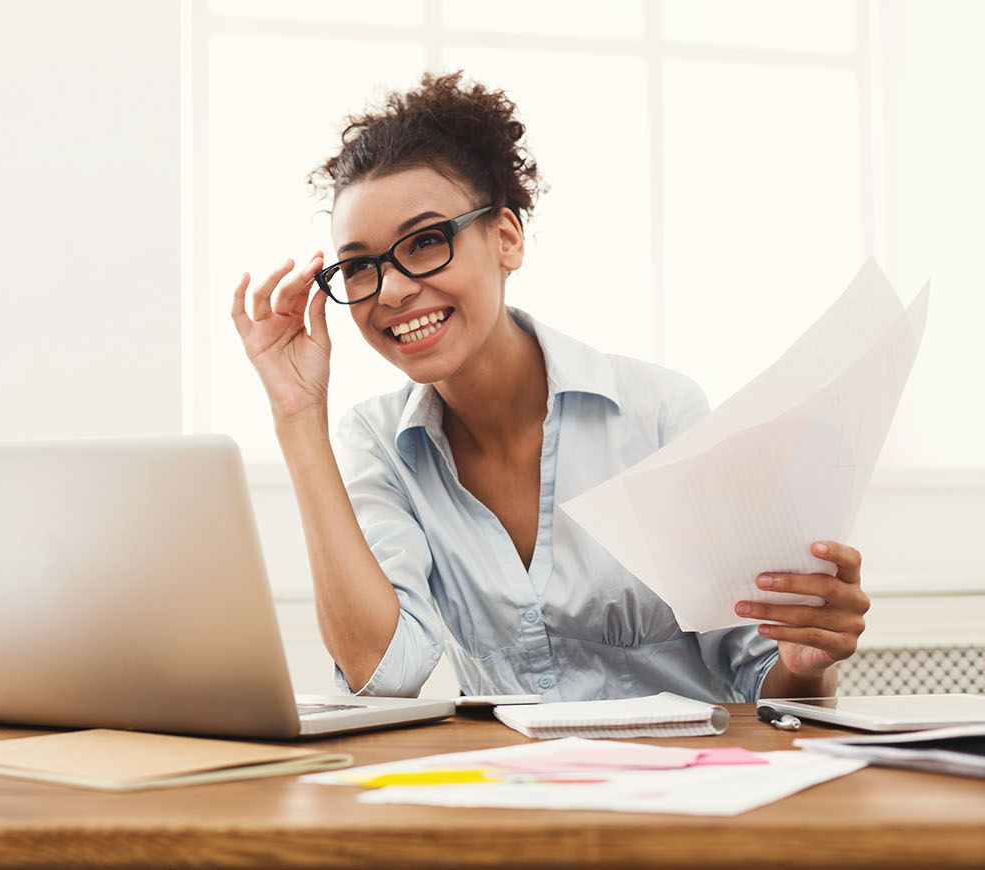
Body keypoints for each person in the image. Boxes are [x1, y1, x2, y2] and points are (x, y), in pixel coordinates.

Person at [230, 72, 869, 703]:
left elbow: (769, 680)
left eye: (425, 242)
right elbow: (385, 672)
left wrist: (805, 663)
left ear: (506, 238)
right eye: (361, 265)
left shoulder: (659, 415)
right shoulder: (378, 442)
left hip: (686, 790)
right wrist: (297, 414)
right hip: (515, 796)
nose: (392, 289)